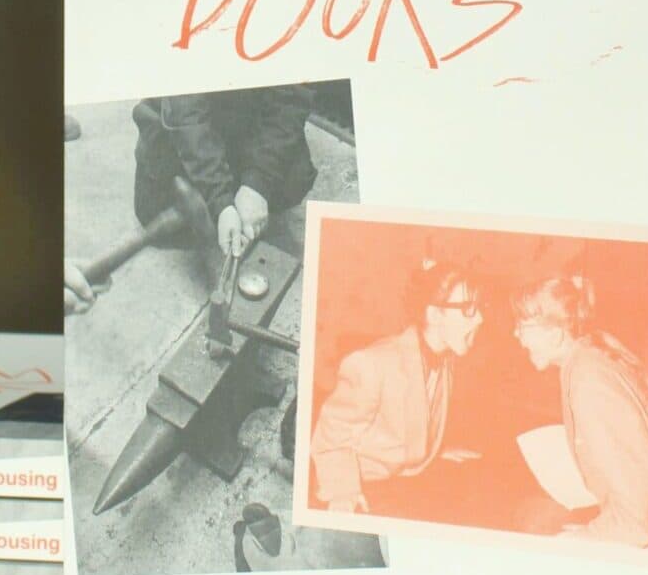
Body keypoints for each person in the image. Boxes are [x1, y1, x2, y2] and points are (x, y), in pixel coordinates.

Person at [309, 263, 484, 513]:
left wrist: (434, 449)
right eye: (468, 309)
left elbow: (414, 416)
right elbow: (331, 437)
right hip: (359, 485)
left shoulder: (447, 360)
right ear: (434, 315)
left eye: (480, 308)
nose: (480, 318)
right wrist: (344, 493)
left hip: (404, 477)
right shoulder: (371, 364)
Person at [510, 274, 648, 548]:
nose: (516, 334)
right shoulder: (596, 350)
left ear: (555, 334)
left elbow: (636, 524)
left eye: (522, 325)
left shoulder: (587, 380)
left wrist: (587, 536)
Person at [132, 86, 316, 259]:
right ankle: (224, 198)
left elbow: (292, 100)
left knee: (295, 179)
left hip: (244, 114)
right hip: (180, 121)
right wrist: (220, 200)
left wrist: (257, 183)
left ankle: (234, 197)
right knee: (156, 211)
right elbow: (186, 116)